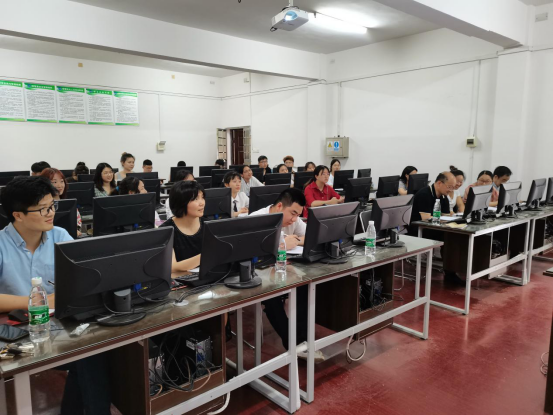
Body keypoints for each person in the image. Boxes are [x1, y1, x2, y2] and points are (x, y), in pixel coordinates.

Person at [0, 176, 112, 414]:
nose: (51, 213)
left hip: (59, 325)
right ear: (18, 215)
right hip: (15, 332)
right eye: (43, 209)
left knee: (94, 349)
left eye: (53, 205)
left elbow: (82, 275)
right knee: (89, 357)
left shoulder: (60, 236)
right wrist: (36, 302)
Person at [248, 188, 321, 359]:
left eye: (298, 215)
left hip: (283, 268)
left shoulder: (294, 220)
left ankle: (304, 339)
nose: (295, 219)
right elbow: (251, 251)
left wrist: (292, 241)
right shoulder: (256, 219)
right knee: (272, 297)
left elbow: (311, 236)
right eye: (293, 214)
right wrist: (282, 243)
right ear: (280, 206)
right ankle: (293, 343)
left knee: (304, 285)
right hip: (258, 273)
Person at [160, 181, 205, 272]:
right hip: (181, 278)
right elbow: (171, 267)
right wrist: (207, 255)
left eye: (203, 197)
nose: (202, 203)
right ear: (181, 202)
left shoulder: (208, 224)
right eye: (196, 199)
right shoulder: (166, 230)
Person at [40, 168, 82, 236]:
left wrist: (76, 230)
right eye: (54, 182)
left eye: (62, 181)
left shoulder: (70, 204)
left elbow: (78, 223)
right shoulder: (40, 207)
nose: (59, 185)